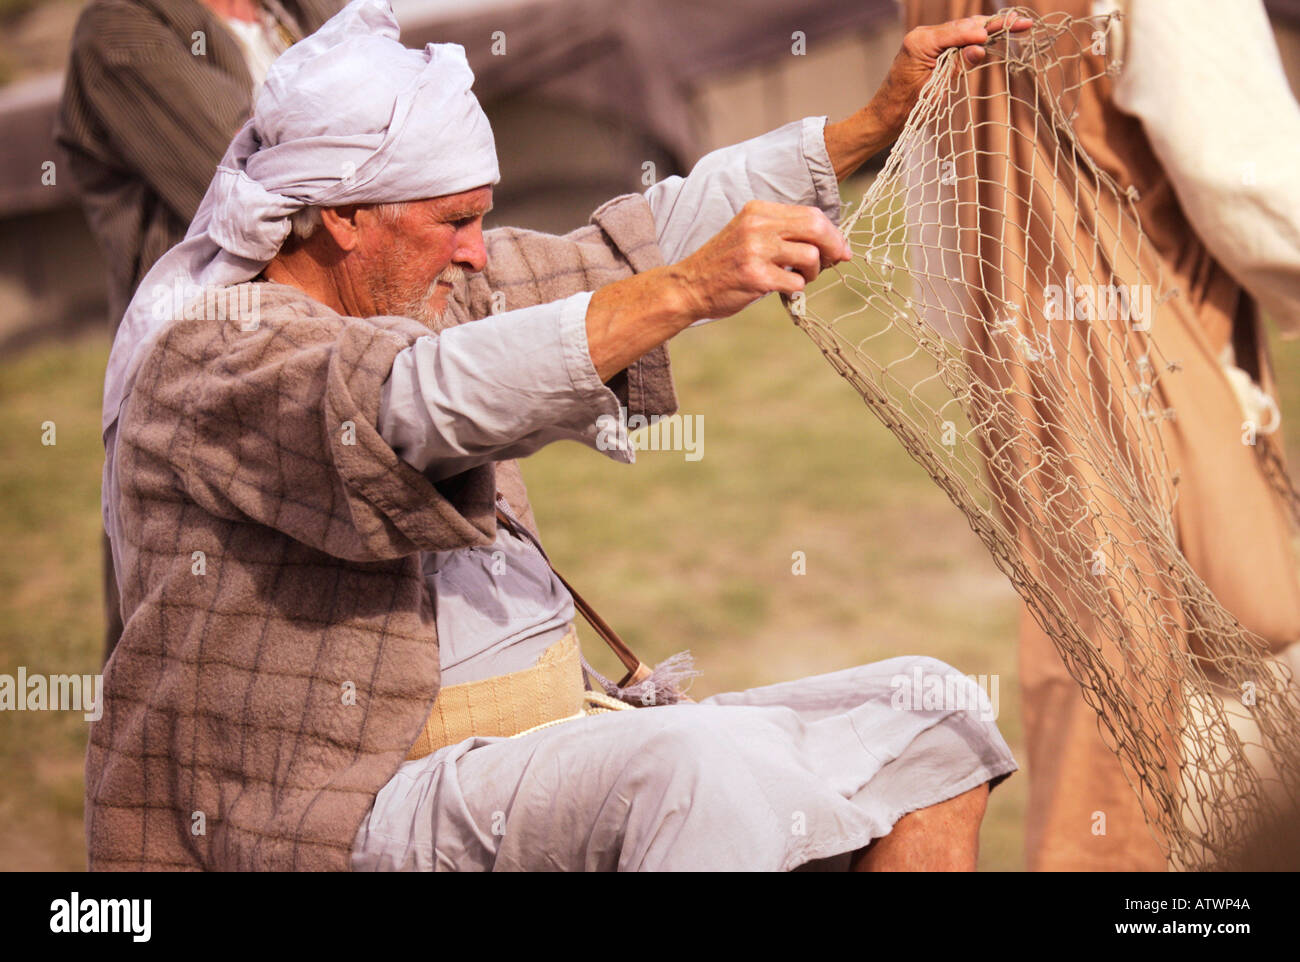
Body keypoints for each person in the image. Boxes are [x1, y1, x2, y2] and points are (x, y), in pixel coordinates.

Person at [87, 0, 1021, 872]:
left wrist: (869, 124)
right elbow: (415, 404)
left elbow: (630, 250)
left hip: (543, 738)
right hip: (345, 804)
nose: (479, 250)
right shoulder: (215, 351)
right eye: (456, 221)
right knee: (687, 772)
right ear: (341, 216)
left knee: (932, 716)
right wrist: (685, 293)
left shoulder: (434, 280)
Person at [905, 0, 1300, 870]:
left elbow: (940, 222)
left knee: (1095, 696)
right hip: (1163, 388)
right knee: (1212, 750)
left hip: (1026, 383)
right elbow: (1255, 185)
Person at [56, 0, 344, 665]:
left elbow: (412, 120)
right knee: (180, 653)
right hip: (201, 387)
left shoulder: (299, 11)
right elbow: (257, 186)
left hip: (322, 360)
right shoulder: (120, 31)